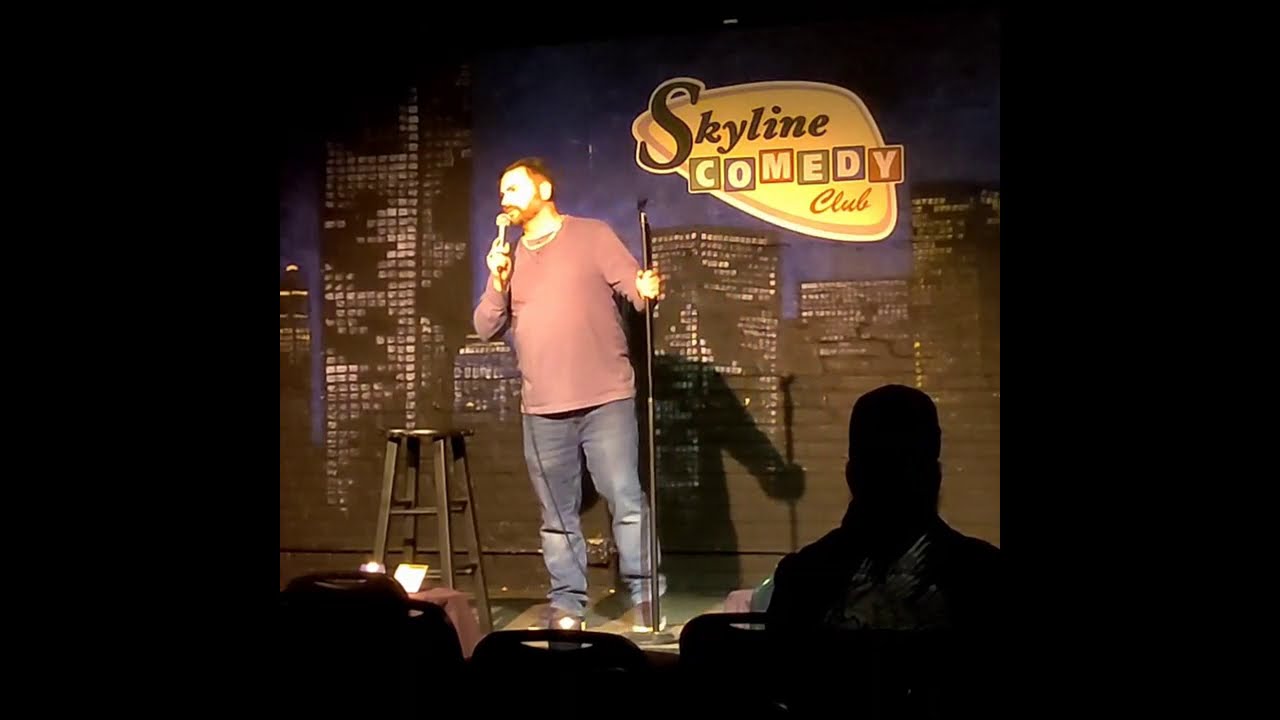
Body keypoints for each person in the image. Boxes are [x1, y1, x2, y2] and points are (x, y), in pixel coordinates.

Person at [473, 157, 666, 632]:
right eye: (502, 191)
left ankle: (646, 595)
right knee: (556, 516)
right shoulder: (509, 257)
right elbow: (485, 326)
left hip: (606, 398)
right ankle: (568, 604)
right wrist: (497, 282)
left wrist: (645, 287)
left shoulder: (592, 235)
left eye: (514, 188)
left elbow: (636, 289)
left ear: (544, 190)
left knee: (625, 500)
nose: (504, 198)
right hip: (542, 408)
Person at [766, 384, 1001, 632]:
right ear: (935, 477)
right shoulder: (986, 575)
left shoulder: (803, 578)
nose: (895, 483)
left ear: (852, 476)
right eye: (887, 470)